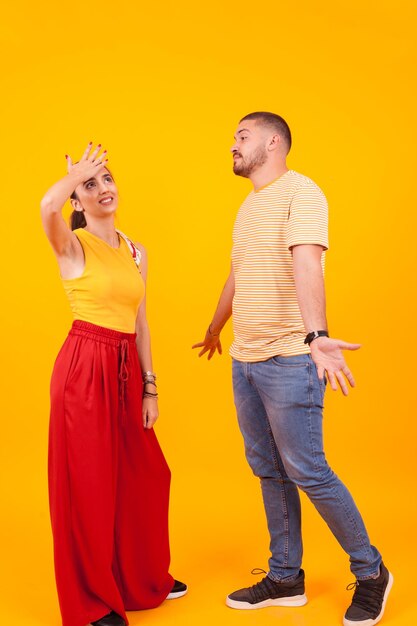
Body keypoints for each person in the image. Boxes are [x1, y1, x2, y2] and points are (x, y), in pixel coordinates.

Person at [193, 112, 392, 626]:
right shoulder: (248, 205)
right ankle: (286, 578)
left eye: (241, 135)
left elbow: (306, 262)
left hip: (289, 357)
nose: (232, 144)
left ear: (273, 141)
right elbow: (237, 274)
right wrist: (217, 328)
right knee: (269, 470)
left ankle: (371, 573)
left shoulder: (302, 193)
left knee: (307, 470)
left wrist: (317, 337)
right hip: (246, 359)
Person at [41, 143, 187, 626]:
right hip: (84, 365)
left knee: (143, 473)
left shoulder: (135, 250)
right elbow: (46, 207)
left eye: (106, 179)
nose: (103, 189)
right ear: (77, 202)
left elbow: (141, 322)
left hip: (125, 367)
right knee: (88, 484)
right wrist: (72, 175)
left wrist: (151, 386)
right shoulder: (72, 245)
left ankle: (139, 575)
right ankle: (94, 602)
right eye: (90, 185)